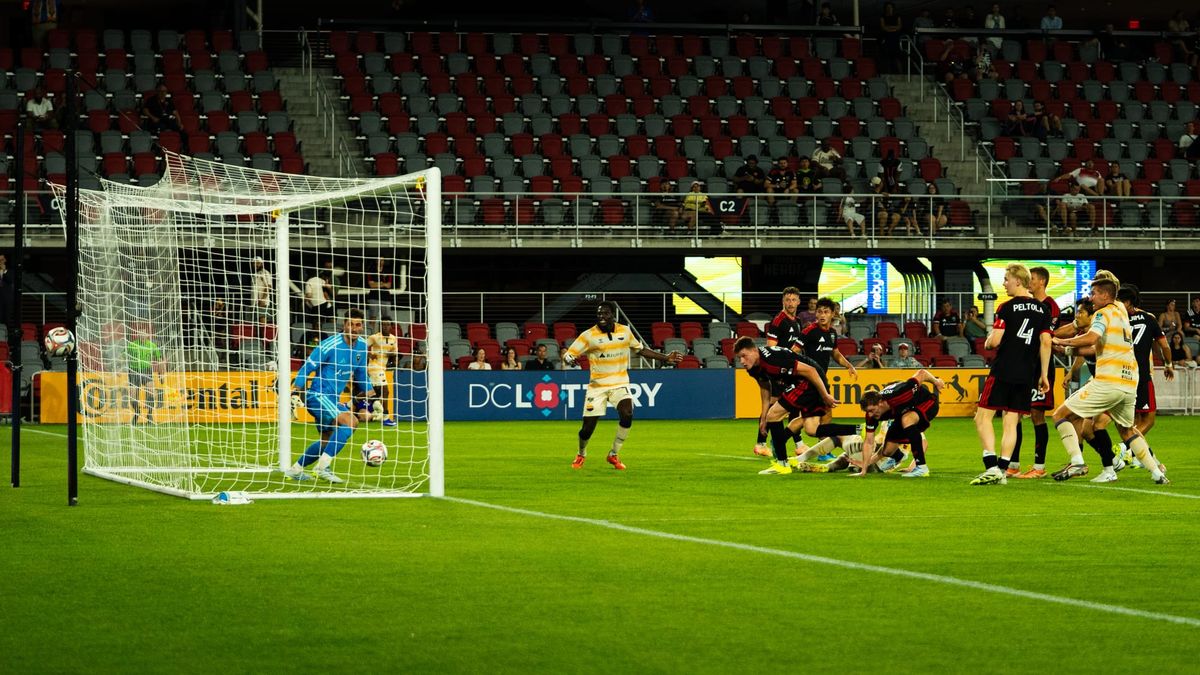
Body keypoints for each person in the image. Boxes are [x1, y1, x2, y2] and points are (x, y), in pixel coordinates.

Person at [1049, 271, 1170, 484]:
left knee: (1060, 415)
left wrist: (1062, 342)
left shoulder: (1102, 314)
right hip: (1129, 381)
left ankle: (1077, 461)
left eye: (1094, 293)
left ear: (1105, 296)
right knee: (1126, 430)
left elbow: (1092, 337)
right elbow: (1094, 342)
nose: (1091, 297)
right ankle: (1157, 472)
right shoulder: (1121, 309)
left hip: (1108, 380)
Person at [564, 301, 682, 470]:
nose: (601, 317)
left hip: (620, 383)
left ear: (613, 315)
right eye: (599, 314)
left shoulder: (625, 331)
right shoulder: (588, 335)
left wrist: (666, 358)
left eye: (605, 313)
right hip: (597, 387)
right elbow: (569, 354)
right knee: (587, 429)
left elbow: (640, 350)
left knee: (627, 413)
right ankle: (581, 453)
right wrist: (570, 359)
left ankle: (613, 454)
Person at [970, 264, 1053, 485]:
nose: (1004, 283)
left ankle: (991, 467)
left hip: (1004, 369)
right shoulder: (1044, 310)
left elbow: (994, 341)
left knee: (982, 417)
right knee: (1011, 421)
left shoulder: (1006, 307)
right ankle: (1004, 468)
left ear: (1018, 280)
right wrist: (1043, 374)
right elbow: (1046, 342)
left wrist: (987, 341)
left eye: (1007, 279)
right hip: (1027, 373)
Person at [287, 308, 375, 483]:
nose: (355, 328)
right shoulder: (330, 344)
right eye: (351, 324)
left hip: (332, 400)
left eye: (358, 325)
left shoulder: (363, 347)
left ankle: (295, 470)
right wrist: (296, 389)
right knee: (351, 421)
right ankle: (322, 468)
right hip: (317, 396)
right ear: (344, 325)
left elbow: (361, 374)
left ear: (362, 326)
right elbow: (309, 366)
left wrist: (374, 399)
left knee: (326, 442)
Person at [734, 337, 839, 475]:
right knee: (811, 428)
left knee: (775, 415)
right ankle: (855, 430)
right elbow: (765, 387)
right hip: (800, 381)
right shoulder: (754, 366)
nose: (741, 361)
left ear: (754, 351)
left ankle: (782, 463)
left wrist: (825, 395)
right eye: (739, 357)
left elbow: (811, 371)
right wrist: (763, 416)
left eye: (744, 356)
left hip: (810, 378)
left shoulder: (772, 361)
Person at [1010, 266, 1066, 478]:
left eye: (1031, 278)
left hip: (1040, 368)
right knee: (1013, 414)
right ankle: (1012, 463)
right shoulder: (1028, 305)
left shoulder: (1050, 306)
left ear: (1041, 282)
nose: (1028, 282)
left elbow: (1045, 336)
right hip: (1022, 367)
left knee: (1036, 414)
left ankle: (1039, 467)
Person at [794, 297, 861, 461]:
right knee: (811, 419)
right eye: (819, 312)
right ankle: (782, 438)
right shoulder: (809, 331)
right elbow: (793, 351)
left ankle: (822, 450)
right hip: (809, 381)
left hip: (822, 380)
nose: (822, 315)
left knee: (822, 415)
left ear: (832, 314)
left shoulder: (832, 333)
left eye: (826, 312)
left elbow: (835, 353)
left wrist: (848, 365)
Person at [1116, 285, 1173, 465]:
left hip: (1120, 373)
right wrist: (1168, 364)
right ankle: (1125, 447)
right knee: (1149, 419)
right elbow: (1164, 345)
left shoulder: (1116, 318)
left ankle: (1136, 457)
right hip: (1140, 374)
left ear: (1127, 301)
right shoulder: (1149, 318)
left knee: (1133, 419)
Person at [851, 370, 946, 477]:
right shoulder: (871, 416)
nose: (871, 414)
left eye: (872, 410)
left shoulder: (902, 393)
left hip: (927, 402)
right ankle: (898, 459)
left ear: (880, 402)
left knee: (907, 419)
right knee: (887, 450)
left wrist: (936, 381)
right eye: (868, 411)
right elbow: (868, 442)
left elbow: (922, 373)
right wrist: (863, 469)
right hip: (906, 412)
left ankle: (921, 467)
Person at [752, 286, 805, 457]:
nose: (790, 303)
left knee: (794, 404)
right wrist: (779, 368)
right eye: (787, 300)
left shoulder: (797, 321)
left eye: (793, 300)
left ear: (798, 301)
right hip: (779, 370)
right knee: (775, 406)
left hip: (790, 370)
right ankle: (761, 442)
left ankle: (798, 443)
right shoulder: (778, 321)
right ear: (783, 301)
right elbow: (771, 348)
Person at [126, 327, 167, 424]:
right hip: (134, 371)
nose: (142, 336)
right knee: (132, 396)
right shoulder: (132, 345)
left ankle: (149, 415)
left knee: (151, 391)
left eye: (144, 334)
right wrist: (118, 367)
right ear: (138, 335)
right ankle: (137, 412)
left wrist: (162, 375)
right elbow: (122, 357)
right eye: (140, 334)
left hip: (147, 371)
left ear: (147, 335)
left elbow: (160, 360)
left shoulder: (152, 346)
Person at [365, 319, 400, 427]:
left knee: (372, 392)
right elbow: (361, 347)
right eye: (383, 325)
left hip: (382, 368)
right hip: (374, 367)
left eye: (387, 324)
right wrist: (370, 355)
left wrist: (394, 358)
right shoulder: (374, 337)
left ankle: (348, 404)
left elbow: (394, 354)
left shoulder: (393, 339)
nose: (385, 326)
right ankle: (385, 418)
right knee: (386, 391)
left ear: (391, 326)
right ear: (380, 326)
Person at [878, 2, 903, 74]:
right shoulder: (883, 16)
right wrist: (893, 28)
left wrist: (889, 28)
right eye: (887, 7)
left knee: (897, 57)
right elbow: (883, 27)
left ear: (893, 8)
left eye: (890, 7)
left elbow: (899, 26)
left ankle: (901, 73)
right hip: (887, 39)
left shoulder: (897, 16)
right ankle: (888, 73)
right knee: (887, 57)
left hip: (895, 39)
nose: (889, 9)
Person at [249, 256, 272, 324]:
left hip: (262, 302)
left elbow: (269, 286)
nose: (255, 264)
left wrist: (263, 299)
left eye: (258, 263)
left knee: (262, 322)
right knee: (256, 323)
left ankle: (264, 335)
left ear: (262, 263)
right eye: (254, 263)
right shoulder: (254, 275)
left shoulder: (265, 273)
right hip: (254, 303)